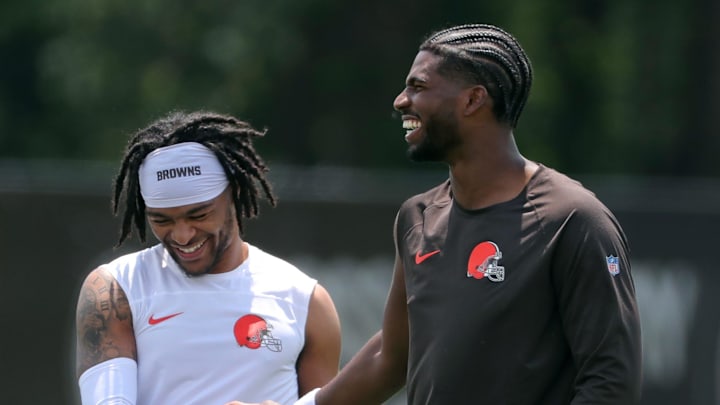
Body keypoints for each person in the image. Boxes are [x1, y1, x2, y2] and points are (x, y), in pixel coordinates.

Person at [230, 23, 642, 405]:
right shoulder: (418, 216)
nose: (400, 100)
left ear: (473, 99)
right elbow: (390, 358)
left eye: (419, 86)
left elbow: (611, 380)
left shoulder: (573, 218)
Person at [74, 110, 342, 405]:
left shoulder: (306, 300)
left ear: (235, 192)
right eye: (161, 220)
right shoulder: (115, 289)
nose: (182, 235)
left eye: (199, 214)